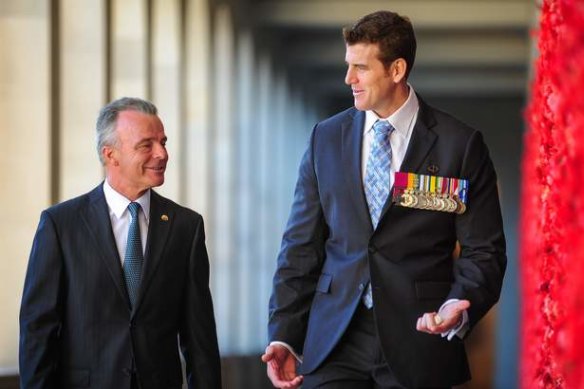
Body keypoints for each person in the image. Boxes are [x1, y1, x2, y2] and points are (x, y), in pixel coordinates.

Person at [262, 10, 506, 389]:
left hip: (421, 338)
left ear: (396, 70)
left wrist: (458, 304)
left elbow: (484, 252)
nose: (349, 79)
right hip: (334, 341)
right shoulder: (324, 139)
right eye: (348, 66)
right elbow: (299, 246)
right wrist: (284, 333)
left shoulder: (460, 146)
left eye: (360, 67)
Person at [19, 97, 222, 389]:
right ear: (110, 154)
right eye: (146, 145)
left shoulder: (186, 227)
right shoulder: (61, 225)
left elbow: (199, 335)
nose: (162, 153)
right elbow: (38, 331)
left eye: (163, 142)